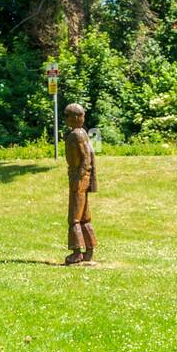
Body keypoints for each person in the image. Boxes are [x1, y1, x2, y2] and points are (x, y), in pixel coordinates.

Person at [63, 102, 97, 265]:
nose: (65, 119)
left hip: (79, 177)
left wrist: (79, 177)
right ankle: (89, 250)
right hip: (80, 176)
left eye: (67, 116)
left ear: (75, 117)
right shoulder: (79, 133)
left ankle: (77, 252)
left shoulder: (78, 135)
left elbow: (86, 158)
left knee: (74, 218)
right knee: (83, 216)